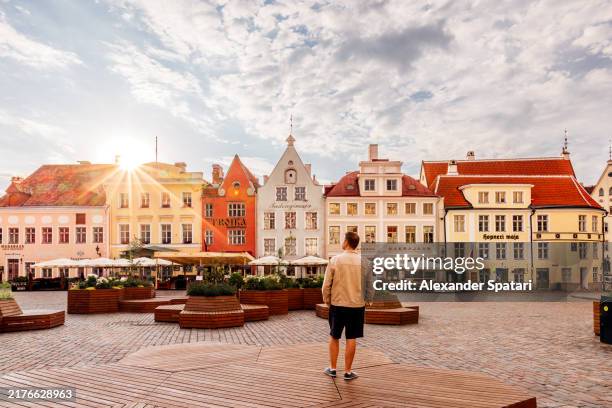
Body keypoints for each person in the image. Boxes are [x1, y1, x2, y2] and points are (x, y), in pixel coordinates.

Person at [322, 231, 370, 381]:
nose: (342, 242)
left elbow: (326, 286)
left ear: (347, 242)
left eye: (343, 239)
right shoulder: (365, 262)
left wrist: (328, 301)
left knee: (334, 335)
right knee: (352, 337)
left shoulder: (335, 260)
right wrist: (367, 301)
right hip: (357, 306)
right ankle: (348, 372)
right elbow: (370, 286)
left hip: (338, 305)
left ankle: (333, 368)